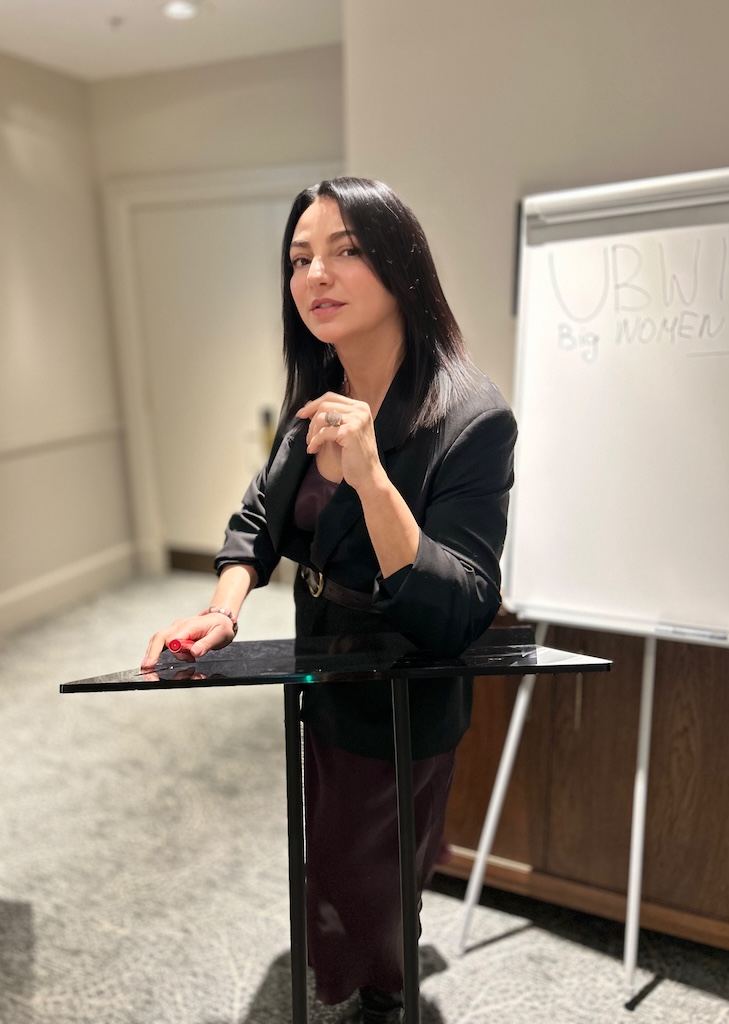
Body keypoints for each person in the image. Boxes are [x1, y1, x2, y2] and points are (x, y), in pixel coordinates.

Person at [142, 176, 517, 1024]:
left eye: (346, 250)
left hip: (405, 691)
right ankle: (361, 974)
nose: (317, 275)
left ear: (402, 267)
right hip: (321, 673)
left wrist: (373, 472)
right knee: (334, 855)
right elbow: (259, 516)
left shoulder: (472, 417)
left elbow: (458, 607)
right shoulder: (315, 387)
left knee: (377, 869)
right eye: (300, 258)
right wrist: (228, 603)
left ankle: (383, 993)